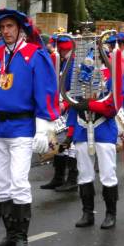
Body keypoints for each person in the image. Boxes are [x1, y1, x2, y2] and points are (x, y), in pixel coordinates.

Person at [0, 8, 59, 246]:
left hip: (22, 129)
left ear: (20, 28)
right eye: (2, 27)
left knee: (19, 183)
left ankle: (22, 238)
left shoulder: (35, 55)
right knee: (1, 185)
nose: (6, 31)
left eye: (10, 26)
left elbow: (46, 91)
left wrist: (44, 128)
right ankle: (9, 235)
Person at [67, 83, 121, 229]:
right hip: (81, 129)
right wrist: (71, 132)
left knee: (108, 173)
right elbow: (73, 102)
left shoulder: (111, 72)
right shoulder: (78, 71)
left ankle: (111, 214)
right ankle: (87, 213)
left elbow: (112, 108)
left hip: (104, 129)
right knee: (84, 174)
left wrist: (90, 105)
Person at [41, 32, 79, 192]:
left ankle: (72, 178)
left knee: (70, 144)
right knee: (57, 139)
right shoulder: (64, 61)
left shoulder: (74, 63)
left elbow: (75, 89)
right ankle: (58, 177)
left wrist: (65, 103)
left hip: (71, 108)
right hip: (59, 106)